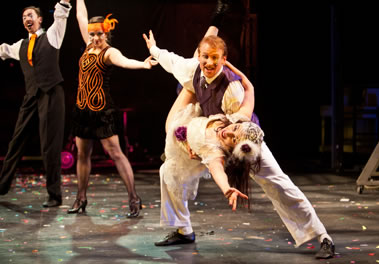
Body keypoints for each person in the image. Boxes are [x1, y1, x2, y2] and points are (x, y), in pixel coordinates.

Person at [142, 14, 335, 261]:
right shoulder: (192, 70)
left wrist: (218, 136)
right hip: (214, 135)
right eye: (205, 57)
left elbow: (240, 121)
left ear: (224, 59)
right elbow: (171, 61)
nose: (209, 63)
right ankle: (183, 229)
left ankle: (322, 236)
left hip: (243, 138)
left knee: (278, 183)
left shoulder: (231, 87)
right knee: (168, 170)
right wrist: (154, 49)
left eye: (214, 58)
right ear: (198, 56)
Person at [67, 0, 157, 217]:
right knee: (82, 154)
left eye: (99, 34)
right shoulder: (88, 46)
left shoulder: (109, 52)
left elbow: (125, 61)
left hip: (101, 111)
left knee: (116, 153)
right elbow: (80, 17)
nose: (96, 38)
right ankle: (81, 197)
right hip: (82, 111)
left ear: (106, 33)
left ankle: (134, 198)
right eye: (92, 34)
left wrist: (143, 64)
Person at [156, 102, 263, 247]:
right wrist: (247, 83)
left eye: (233, 139)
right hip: (186, 123)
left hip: (183, 157)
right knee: (167, 174)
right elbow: (247, 105)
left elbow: (217, 169)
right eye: (235, 129)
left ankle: (184, 230)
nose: (228, 132)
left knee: (169, 174)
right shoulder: (228, 121)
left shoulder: (215, 151)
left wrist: (226, 188)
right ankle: (184, 230)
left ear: (233, 147)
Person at [0, 1, 72, 207]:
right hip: (31, 96)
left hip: (51, 93)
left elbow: (61, 15)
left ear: (40, 19)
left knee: (49, 144)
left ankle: (54, 195)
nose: (26, 19)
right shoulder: (20, 46)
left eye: (30, 15)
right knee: (16, 141)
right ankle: (2, 185)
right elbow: (2, 50)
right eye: (23, 17)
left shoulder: (52, 36)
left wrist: (65, 3)